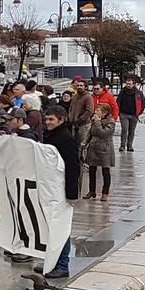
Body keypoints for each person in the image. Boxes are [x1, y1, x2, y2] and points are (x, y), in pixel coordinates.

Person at [41, 106, 81, 280]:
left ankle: (62, 265)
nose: (48, 123)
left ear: (61, 120)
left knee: (61, 227)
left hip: (61, 190)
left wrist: (71, 194)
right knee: (50, 226)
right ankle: (51, 262)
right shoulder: (52, 135)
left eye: (51, 120)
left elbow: (73, 167)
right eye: (47, 119)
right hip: (50, 187)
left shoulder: (65, 138)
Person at [83, 105, 117, 201]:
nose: (95, 112)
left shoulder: (110, 122)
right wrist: (85, 142)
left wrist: (97, 122)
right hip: (93, 148)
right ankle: (91, 190)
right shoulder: (95, 120)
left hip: (104, 149)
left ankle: (105, 193)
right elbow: (90, 132)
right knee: (92, 170)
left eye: (98, 110)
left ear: (104, 113)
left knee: (105, 171)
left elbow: (103, 133)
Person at [116, 78, 145, 152]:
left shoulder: (139, 93)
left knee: (131, 131)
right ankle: (122, 146)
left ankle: (130, 146)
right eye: (127, 84)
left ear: (134, 84)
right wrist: (118, 112)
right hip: (123, 114)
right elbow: (118, 102)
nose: (128, 85)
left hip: (134, 115)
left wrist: (139, 112)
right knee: (124, 130)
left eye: (129, 84)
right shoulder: (122, 92)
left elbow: (143, 103)